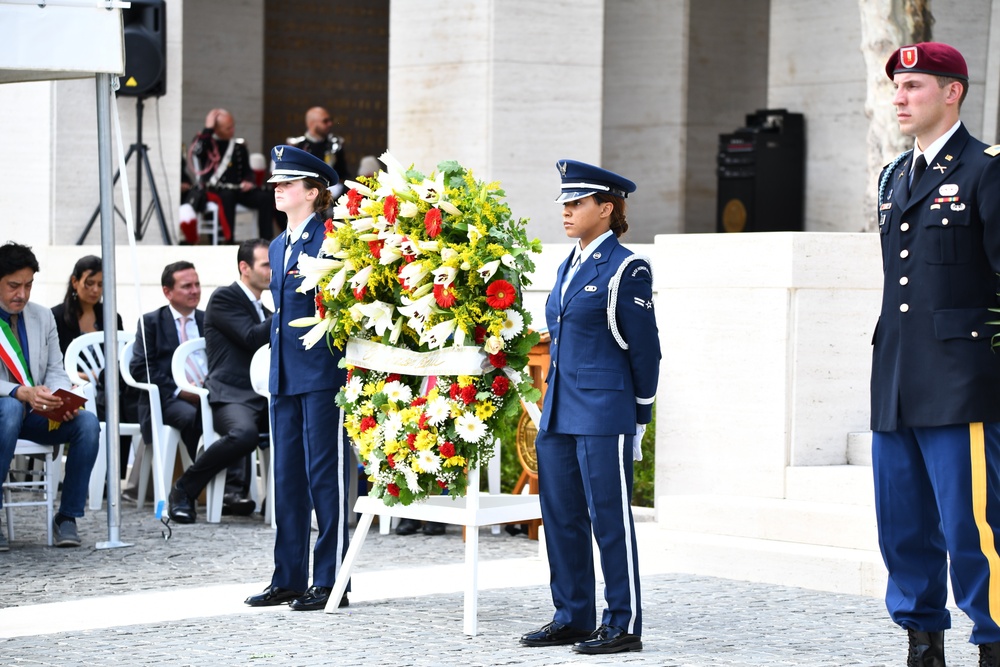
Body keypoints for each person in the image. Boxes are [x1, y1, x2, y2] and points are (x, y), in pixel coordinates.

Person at [871, 42, 1000, 666]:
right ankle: (922, 641)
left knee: (972, 526)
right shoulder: (894, 176)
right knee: (902, 525)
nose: (899, 96)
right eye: (896, 85)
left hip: (961, 379)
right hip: (896, 375)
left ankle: (995, 640)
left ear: (953, 91)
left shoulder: (987, 169)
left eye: (914, 85)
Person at [519, 161, 659, 655]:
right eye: (565, 202)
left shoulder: (627, 267)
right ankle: (572, 614)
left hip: (603, 412)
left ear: (607, 209)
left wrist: (640, 415)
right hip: (559, 409)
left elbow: (646, 351)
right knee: (560, 516)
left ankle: (623, 621)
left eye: (577, 203)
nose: (567, 210)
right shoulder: (569, 264)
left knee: (609, 519)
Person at [244, 145, 351, 612]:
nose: (277, 189)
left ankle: (332, 580)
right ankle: (288, 577)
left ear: (313, 192)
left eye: (287, 184)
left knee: (325, 478)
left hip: (322, 372)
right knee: (286, 478)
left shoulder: (333, 237)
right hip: (285, 374)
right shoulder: (277, 244)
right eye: (276, 184)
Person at [0, 242, 100, 549]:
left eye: (28, 285)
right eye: (13, 286)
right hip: (7, 412)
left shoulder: (42, 317)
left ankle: (67, 517)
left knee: (87, 424)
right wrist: (19, 392)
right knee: (11, 409)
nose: (22, 294)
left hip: (36, 412)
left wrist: (59, 397)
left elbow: (56, 369)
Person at [167, 240, 272, 523]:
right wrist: (288, 310)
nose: (272, 270)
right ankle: (184, 489)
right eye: (266, 264)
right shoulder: (225, 298)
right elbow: (251, 337)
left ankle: (285, 505)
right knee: (244, 434)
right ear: (244, 268)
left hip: (265, 395)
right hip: (231, 394)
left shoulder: (264, 307)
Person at [51, 255, 138, 480]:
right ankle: (86, 474)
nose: (95, 290)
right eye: (89, 283)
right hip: (72, 384)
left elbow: (119, 357)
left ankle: (113, 475)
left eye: (101, 284)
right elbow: (52, 360)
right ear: (75, 282)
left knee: (123, 398)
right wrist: (82, 375)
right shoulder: (57, 316)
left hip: (105, 384)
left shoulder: (110, 316)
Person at [130, 261, 206, 473]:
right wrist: (180, 390)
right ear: (167, 291)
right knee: (193, 416)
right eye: (187, 286)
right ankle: (200, 477)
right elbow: (140, 368)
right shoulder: (150, 322)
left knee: (237, 416)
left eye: (197, 284)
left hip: (208, 394)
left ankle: (231, 487)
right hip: (167, 399)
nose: (195, 291)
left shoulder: (208, 320)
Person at [188, 108, 275, 241]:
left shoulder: (238, 147)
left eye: (232, 126)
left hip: (238, 189)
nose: (232, 131)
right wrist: (208, 129)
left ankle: (266, 240)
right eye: (228, 128)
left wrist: (248, 181)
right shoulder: (207, 142)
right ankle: (228, 241)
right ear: (216, 129)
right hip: (216, 189)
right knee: (227, 197)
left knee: (265, 197)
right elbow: (198, 152)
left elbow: (247, 171)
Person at [287, 106, 349, 187]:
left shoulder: (335, 144)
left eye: (330, 120)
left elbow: (343, 174)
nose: (330, 124)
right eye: (325, 121)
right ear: (311, 123)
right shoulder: (297, 146)